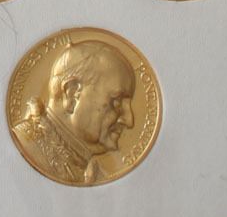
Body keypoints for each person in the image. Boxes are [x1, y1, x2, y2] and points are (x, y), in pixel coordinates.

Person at [12, 39, 135, 184]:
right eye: (116, 102)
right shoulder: (22, 147)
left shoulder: (94, 174)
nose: (129, 121)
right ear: (71, 94)